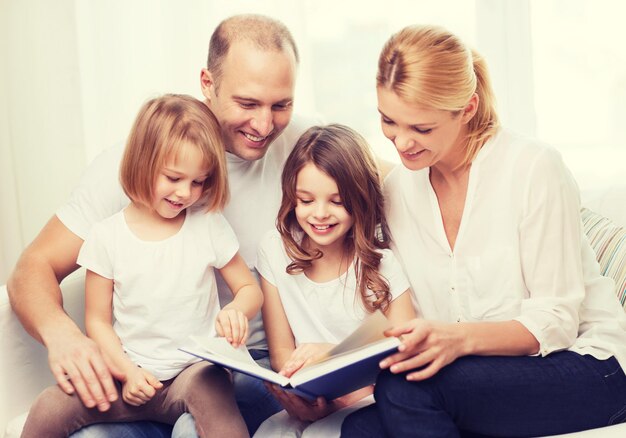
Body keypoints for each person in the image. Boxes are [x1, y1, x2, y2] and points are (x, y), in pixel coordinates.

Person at [8, 14, 311, 437]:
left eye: (281, 105)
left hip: (238, 363)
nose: (264, 125)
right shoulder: (130, 169)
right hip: (135, 367)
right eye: (247, 103)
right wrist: (64, 336)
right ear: (207, 82)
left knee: (200, 417)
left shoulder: (302, 147)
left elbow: (370, 174)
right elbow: (34, 266)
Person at [341, 24, 626, 437]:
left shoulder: (533, 168)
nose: (402, 143)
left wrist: (457, 340)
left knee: (405, 391)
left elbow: (556, 322)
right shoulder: (398, 191)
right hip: (485, 376)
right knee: (361, 430)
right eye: (389, 121)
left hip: (589, 367)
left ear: (468, 108)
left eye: (421, 128)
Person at [21, 94, 261, 437]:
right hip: (129, 376)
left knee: (213, 390)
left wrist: (237, 309)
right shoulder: (107, 236)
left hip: (193, 373)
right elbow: (98, 322)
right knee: (50, 406)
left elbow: (249, 289)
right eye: (174, 178)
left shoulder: (208, 225)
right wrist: (126, 372)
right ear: (143, 162)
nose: (185, 193)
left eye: (198, 182)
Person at [254, 124, 416, 437]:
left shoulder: (384, 266)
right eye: (305, 200)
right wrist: (304, 395)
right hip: (307, 399)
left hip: (369, 402)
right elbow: (281, 355)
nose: (320, 214)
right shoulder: (274, 249)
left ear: (359, 200)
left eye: (337, 201)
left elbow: (404, 357)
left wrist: (331, 360)